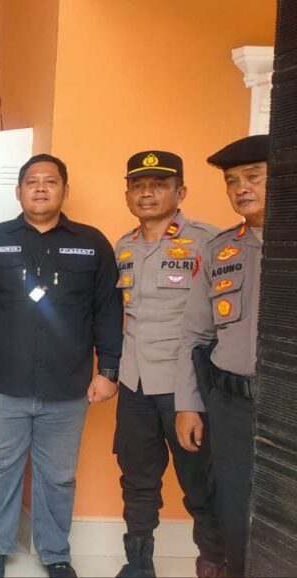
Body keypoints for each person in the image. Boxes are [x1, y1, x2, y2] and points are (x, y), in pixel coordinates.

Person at [0, 154, 123, 578]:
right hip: (2, 383)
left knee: (58, 476)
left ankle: (55, 552)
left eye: (50, 181)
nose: (41, 188)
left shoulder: (91, 243)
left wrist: (109, 370)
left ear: (65, 189)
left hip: (67, 385)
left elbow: (108, 310)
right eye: (32, 181)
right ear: (19, 191)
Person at [112, 150, 224, 578]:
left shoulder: (209, 241)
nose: (147, 193)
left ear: (181, 192)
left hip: (185, 387)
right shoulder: (123, 245)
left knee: (201, 484)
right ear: (127, 194)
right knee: (137, 480)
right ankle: (139, 565)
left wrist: (196, 395)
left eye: (159, 185)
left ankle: (214, 564)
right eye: (138, 186)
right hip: (134, 384)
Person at [175, 134, 269, 578]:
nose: (241, 188)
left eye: (253, 176)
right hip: (232, 406)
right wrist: (188, 404)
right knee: (232, 505)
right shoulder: (219, 250)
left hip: (287, 407)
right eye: (232, 181)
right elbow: (194, 334)